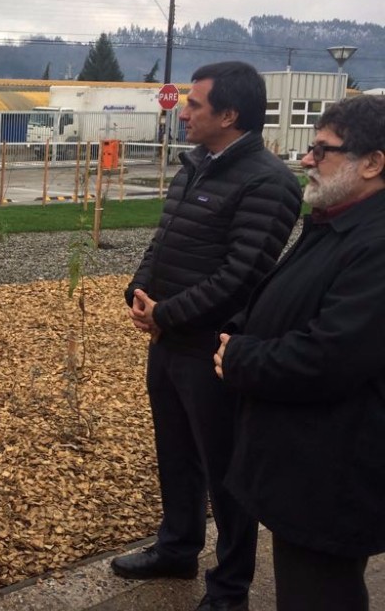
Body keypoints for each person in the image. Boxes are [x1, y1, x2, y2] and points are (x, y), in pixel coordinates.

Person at [114, 61, 302, 611]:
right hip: (168, 342)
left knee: (226, 471)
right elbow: (165, 236)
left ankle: (229, 588)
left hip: (213, 351)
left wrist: (167, 313)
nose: (182, 111)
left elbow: (242, 274)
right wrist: (140, 291)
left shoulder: (269, 182)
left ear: (229, 114)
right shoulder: (196, 164)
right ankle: (177, 547)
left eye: (194, 104)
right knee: (175, 454)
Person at [214, 94, 385, 611]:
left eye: (322, 150)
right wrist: (238, 330)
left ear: (374, 163)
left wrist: (240, 359)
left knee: (319, 593)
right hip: (307, 464)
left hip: (334, 475)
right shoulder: (334, 219)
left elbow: (330, 355)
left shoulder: (375, 243)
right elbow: (287, 293)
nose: (306, 160)